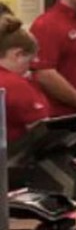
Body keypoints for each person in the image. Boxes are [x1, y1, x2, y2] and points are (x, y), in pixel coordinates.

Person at [0, 15, 49, 143]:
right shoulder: (15, 85)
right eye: (29, 61)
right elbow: (42, 128)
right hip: (12, 158)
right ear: (18, 54)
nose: (29, 68)